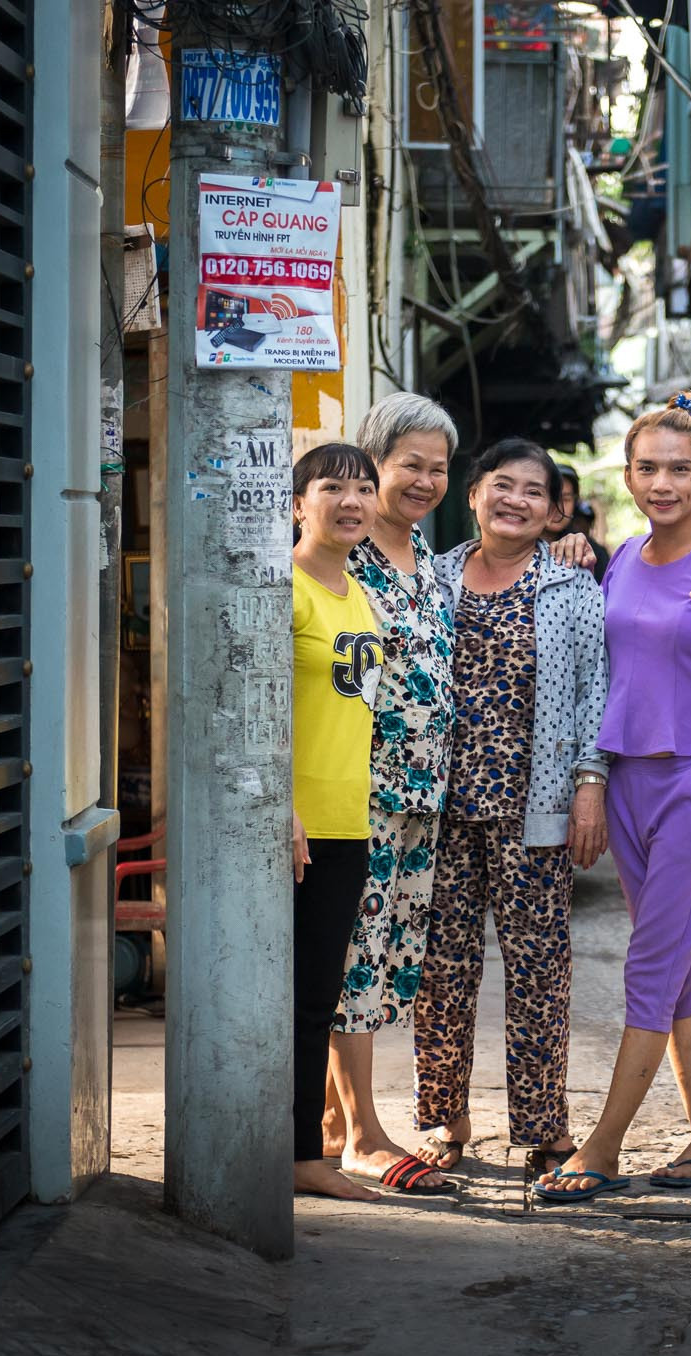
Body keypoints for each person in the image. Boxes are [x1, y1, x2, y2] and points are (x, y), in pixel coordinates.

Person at [535, 391, 691, 1202]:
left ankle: (602, 1147)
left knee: (651, 962)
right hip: (626, 779)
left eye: (680, 468)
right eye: (647, 467)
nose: (662, 482)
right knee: (676, 963)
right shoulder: (621, 558)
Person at [412, 439, 610, 1176]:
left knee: (538, 970)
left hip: (535, 806)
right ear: (473, 494)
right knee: (442, 971)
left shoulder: (571, 589)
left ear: (554, 511)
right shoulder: (428, 579)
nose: (517, 500)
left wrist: (591, 781)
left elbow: (598, 689)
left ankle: (543, 1125)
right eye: (504, 484)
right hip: (439, 809)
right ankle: (444, 1116)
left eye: (536, 491)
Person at [323, 393, 465, 1195]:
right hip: (360, 795)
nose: (424, 481)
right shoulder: (347, 564)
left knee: (389, 958)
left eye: (438, 468)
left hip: (424, 798)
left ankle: (337, 1119)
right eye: (410, 463)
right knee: (355, 958)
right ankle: (363, 1134)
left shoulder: (433, 566)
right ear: (372, 464)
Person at [288, 443, 389, 1202]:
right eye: (332, 487)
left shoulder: (358, 593)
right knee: (294, 996)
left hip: (349, 822)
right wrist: (278, 809)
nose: (350, 500)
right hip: (297, 826)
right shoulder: (284, 590)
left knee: (319, 992)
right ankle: (298, 1157)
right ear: (299, 503)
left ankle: (304, 1148)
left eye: (363, 488)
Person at [550, 461, 609, 581]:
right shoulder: (519, 545)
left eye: (566, 499)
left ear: (575, 503)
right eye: (552, 497)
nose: (558, 507)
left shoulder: (591, 551)